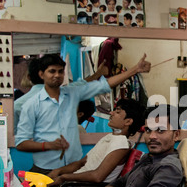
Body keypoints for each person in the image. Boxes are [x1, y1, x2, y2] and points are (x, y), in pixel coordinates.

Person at [15, 53, 151, 175]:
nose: (57, 75)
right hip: (45, 168)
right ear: (41, 74)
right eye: (52, 71)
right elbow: (21, 143)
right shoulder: (30, 105)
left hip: (70, 167)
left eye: (60, 72)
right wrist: (48, 145)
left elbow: (104, 85)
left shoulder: (72, 93)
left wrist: (135, 70)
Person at [47, 98, 145, 187]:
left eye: (117, 112)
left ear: (128, 122)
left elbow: (98, 176)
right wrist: (58, 171)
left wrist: (64, 177)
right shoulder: (109, 138)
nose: (111, 113)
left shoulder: (121, 143)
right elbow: (82, 163)